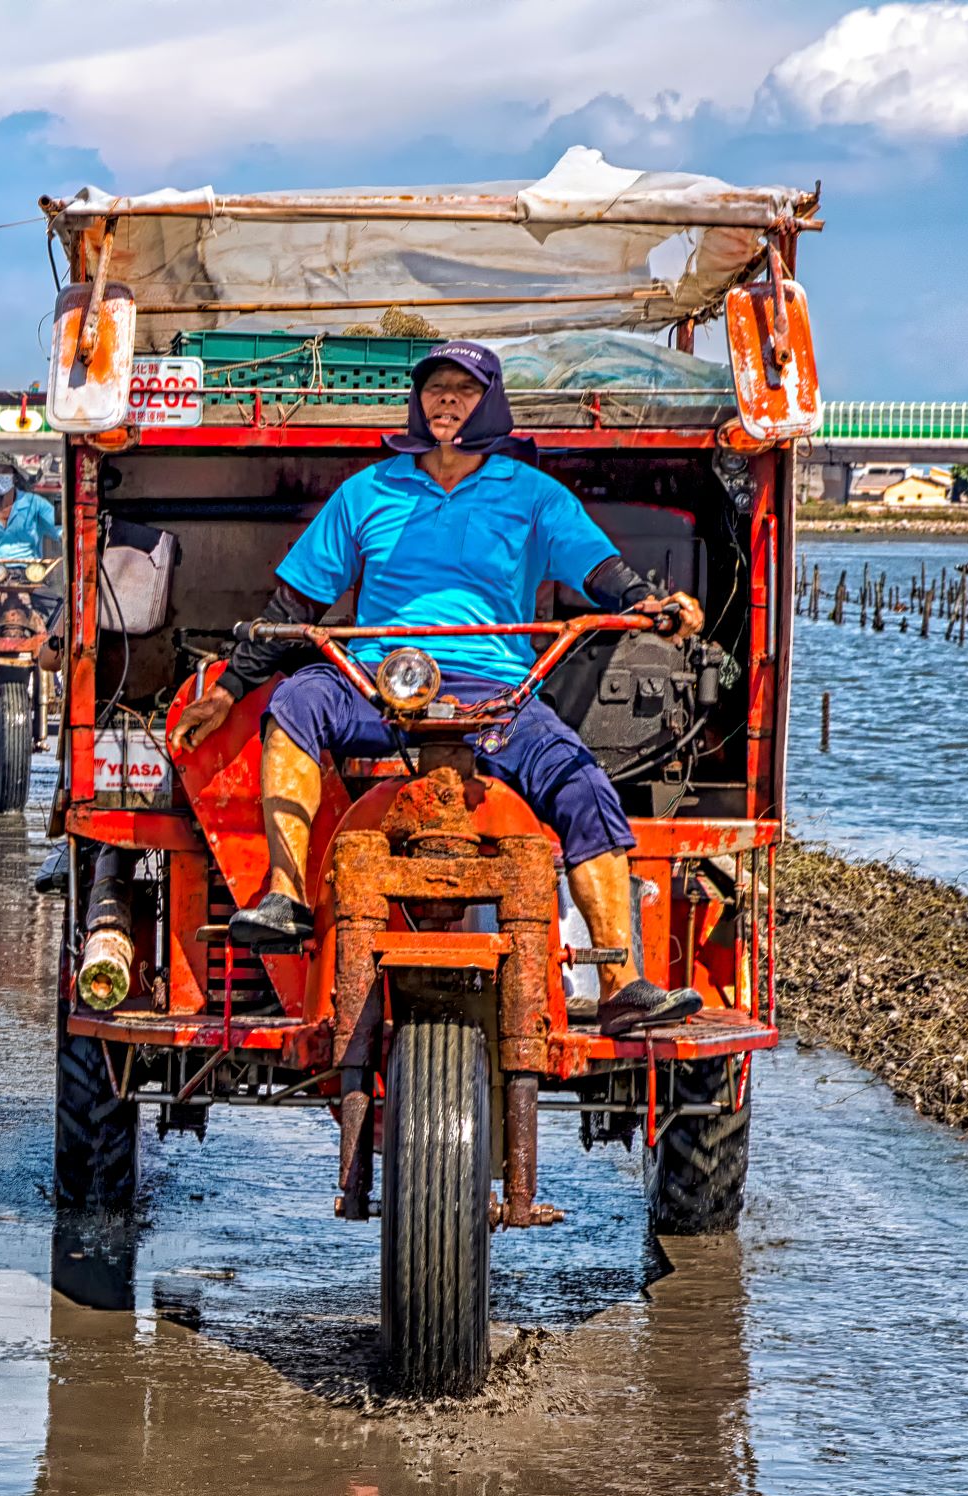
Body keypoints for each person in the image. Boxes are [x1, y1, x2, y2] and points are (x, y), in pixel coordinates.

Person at [164, 340, 706, 1036]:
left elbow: (602, 571)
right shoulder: (370, 490)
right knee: (296, 702)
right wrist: (229, 689)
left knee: (581, 782)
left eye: (464, 390)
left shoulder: (532, 494)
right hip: (378, 681)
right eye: (434, 390)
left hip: (500, 693)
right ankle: (285, 895)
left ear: (494, 403)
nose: (446, 402)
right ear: (417, 405)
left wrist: (653, 607)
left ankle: (621, 983)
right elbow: (294, 606)